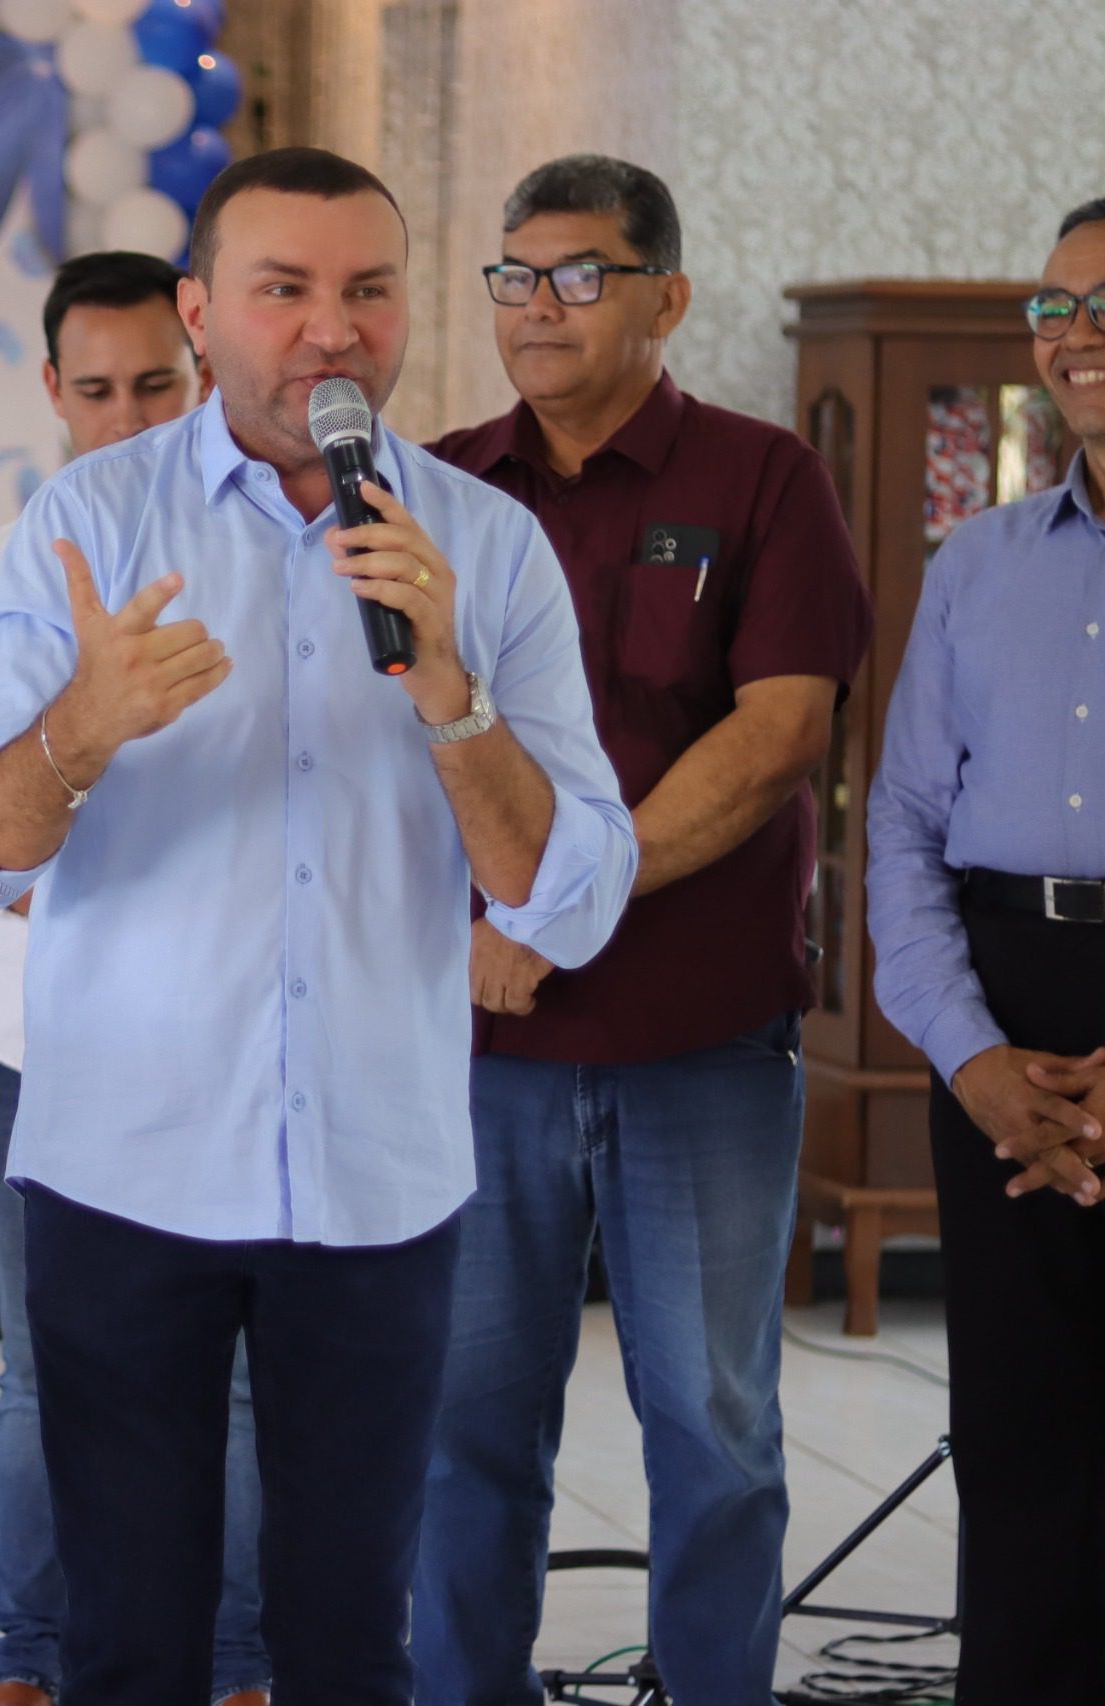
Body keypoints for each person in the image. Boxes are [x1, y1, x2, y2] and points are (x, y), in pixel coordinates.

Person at [0, 148, 637, 1706]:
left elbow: (571, 897)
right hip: (127, 1166)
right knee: (128, 1647)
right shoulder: (90, 523)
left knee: (343, 1650)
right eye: (284, 290)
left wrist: (450, 692)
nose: (332, 331)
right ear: (201, 312)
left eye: (368, 290)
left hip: (377, 1182)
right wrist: (76, 731)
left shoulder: (485, 549)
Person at [411, 155, 872, 1705]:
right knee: (465, 1429)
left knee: (716, 1425)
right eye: (513, 275)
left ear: (666, 297)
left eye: (581, 275)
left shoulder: (760, 480)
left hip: (701, 1044)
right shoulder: (437, 488)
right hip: (482, 1047)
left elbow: (776, 734)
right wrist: (508, 928)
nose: (538, 308)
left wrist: (554, 906)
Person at [0, 250, 270, 1706]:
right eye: (99, 390)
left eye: (158, 387)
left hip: (228, 1044)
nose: (128, 420)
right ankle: (35, 1662)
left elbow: (285, 845)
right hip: (32, 1044)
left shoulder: (273, 561)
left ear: (201, 375)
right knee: (40, 1373)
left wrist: (75, 801)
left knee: (235, 1381)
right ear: (51, 394)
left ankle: (242, 1668)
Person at [868, 197, 1105, 1705]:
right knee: (1020, 1430)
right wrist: (967, 1053)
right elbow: (897, 825)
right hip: (1005, 1017)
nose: (1076, 333)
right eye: (1055, 304)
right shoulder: (980, 562)